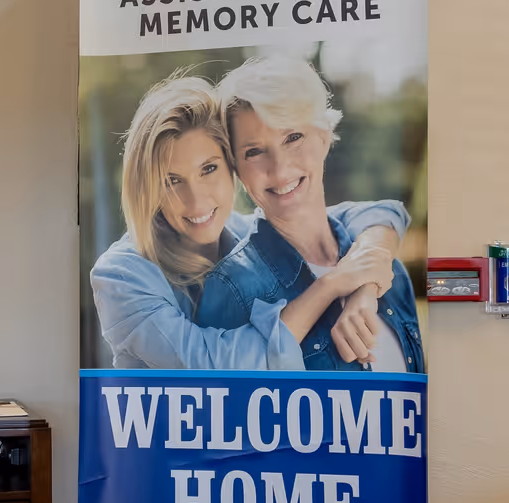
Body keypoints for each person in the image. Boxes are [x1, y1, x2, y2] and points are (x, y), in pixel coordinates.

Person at [89, 74, 406, 369]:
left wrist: (365, 285)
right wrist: (332, 283)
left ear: (232, 169)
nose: (197, 200)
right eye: (172, 181)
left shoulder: (242, 232)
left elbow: (375, 213)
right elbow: (215, 368)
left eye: (208, 169)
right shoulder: (121, 275)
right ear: (147, 189)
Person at [195, 54, 424, 371]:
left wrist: (365, 283)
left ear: (324, 135)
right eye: (254, 151)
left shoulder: (390, 273)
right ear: (236, 169)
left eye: (292, 137)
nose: (279, 168)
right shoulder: (233, 286)